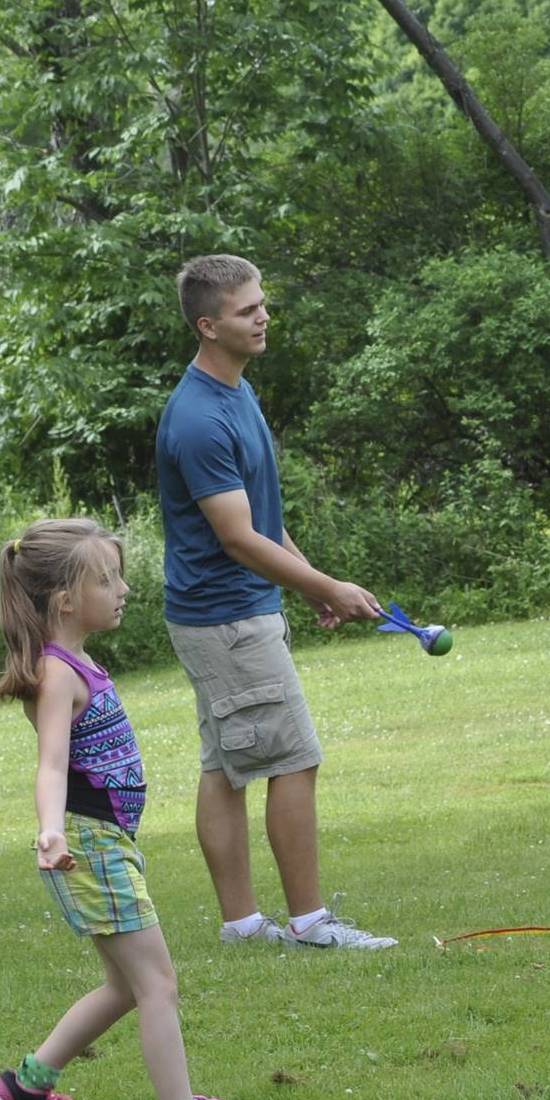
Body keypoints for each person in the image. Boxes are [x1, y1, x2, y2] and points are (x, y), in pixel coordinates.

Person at [0, 518, 249, 1100]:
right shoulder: (56, 674)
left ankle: (24, 1087)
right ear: (66, 599)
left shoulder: (76, 660)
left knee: (128, 986)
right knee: (158, 985)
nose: (123, 588)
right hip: (89, 845)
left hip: (108, 843)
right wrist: (50, 830)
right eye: (108, 579)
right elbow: (50, 764)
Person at [155, 253, 396, 950]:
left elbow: (259, 515)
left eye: (261, 303)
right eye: (245, 309)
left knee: (222, 766)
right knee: (293, 757)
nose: (262, 316)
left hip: (232, 607)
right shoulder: (199, 418)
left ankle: (242, 924)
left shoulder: (237, 391)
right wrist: (325, 587)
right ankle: (312, 923)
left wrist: (308, 577)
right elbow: (235, 537)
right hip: (226, 613)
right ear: (208, 325)